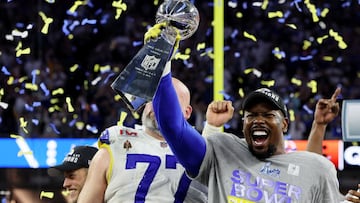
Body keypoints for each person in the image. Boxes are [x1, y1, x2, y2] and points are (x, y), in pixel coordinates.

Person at [151, 64, 352, 202]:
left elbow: (309, 171)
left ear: (284, 124)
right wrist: (164, 64)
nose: (258, 120)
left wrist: (318, 126)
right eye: (250, 116)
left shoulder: (317, 167)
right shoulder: (223, 150)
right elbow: (173, 126)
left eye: (267, 115)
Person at [77, 77, 208, 203]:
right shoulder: (116, 142)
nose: (158, 105)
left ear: (187, 112)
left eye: (170, 99)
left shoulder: (205, 152)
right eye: (153, 98)